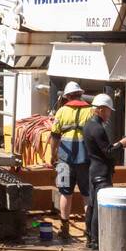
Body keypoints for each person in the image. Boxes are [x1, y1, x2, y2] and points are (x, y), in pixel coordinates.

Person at [82, 92, 126, 249]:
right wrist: (122, 143)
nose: (110, 114)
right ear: (100, 109)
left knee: (92, 206)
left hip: (93, 171)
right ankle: (96, 242)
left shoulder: (88, 125)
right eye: (108, 111)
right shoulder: (98, 129)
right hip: (101, 174)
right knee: (100, 207)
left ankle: (90, 238)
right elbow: (108, 151)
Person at [50, 81, 92, 241]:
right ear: (80, 94)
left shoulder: (61, 111)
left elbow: (54, 135)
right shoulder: (90, 110)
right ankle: (89, 230)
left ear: (67, 96)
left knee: (65, 193)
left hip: (64, 159)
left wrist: (52, 155)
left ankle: (64, 228)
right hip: (85, 158)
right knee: (87, 195)